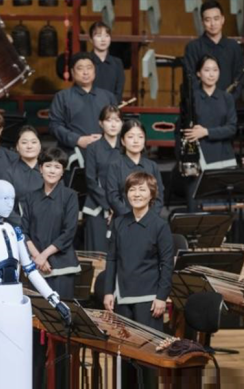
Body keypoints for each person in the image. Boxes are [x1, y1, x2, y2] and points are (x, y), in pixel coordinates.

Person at [0, 179, 71, 389]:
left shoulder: (14, 230)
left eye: (12, 199)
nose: (10, 203)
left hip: (18, 302)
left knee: (19, 366)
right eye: (5, 198)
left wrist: (55, 300)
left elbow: (30, 269)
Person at [103, 171, 174, 388]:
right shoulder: (119, 223)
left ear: (152, 194)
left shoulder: (160, 225)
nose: (137, 194)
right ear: (126, 194)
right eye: (132, 189)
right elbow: (112, 259)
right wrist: (108, 292)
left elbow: (167, 264)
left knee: (148, 356)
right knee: (125, 354)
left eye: (142, 189)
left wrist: (161, 297)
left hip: (149, 298)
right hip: (123, 297)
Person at [22, 147, 80, 389]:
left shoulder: (70, 196)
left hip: (62, 271)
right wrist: (37, 257)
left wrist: (45, 255)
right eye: (48, 165)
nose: (52, 170)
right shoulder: (29, 197)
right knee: (35, 335)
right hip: (35, 272)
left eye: (57, 166)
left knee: (60, 332)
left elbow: (69, 232)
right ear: (40, 168)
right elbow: (23, 232)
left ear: (63, 171)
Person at [180, 54, 237, 211]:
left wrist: (206, 132)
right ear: (198, 73)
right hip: (199, 158)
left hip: (224, 157)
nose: (211, 74)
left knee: (222, 207)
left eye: (215, 70)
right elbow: (183, 129)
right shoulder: (191, 98)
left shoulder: (227, 98)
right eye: (206, 70)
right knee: (196, 205)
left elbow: (232, 128)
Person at [48, 51, 117, 169]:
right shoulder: (62, 96)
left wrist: (106, 138)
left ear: (94, 71)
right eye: (80, 68)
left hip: (104, 154)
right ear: (72, 72)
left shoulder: (108, 96)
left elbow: (117, 124)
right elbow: (54, 126)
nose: (85, 72)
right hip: (73, 153)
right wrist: (78, 140)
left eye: (89, 68)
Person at [184, 0, 244, 97]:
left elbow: (239, 78)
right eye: (208, 20)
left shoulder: (234, 47)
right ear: (202, 22)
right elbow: (190, 79)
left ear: (223, 19)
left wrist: (229, 100)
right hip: (202, 106)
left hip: (230, 106)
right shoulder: (193, 47)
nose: (213, 24)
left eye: (216, 19)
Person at [83, 105, 122, 252]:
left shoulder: (126, 147)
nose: (113, 124)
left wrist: (118, 205)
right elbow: (91, 181)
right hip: (97, 206)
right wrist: (109, 205)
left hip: (123, 206)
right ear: (100, 123)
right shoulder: (93, 147)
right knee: (96, 253)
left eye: (117, 120)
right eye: (108, 120)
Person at [106, 119, 164, 217]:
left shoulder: (152, 166)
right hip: (123, 221)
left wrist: (149, 217)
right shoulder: (115, 166)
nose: (136, 141)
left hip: (149, 222)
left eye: (140, 137)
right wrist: (131, 217)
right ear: (123, 141)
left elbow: (159, 196)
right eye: (130, 137)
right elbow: (113, 197)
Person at [4, 126, 43, 220]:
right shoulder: (9, 173)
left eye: (34, 142)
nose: (29, 146)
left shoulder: (50, 170)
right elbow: (5, 207)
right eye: (24, 142)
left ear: (40, 145)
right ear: (17, 147)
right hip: (19, 226)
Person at [89, 21, 125, 102]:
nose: (103, 39)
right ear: (91, 39)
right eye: (98, 36)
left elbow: (119, 91)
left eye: (107, 36)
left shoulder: (117, 63)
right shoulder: (85, 61)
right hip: (89, 107)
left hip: (111, 109)